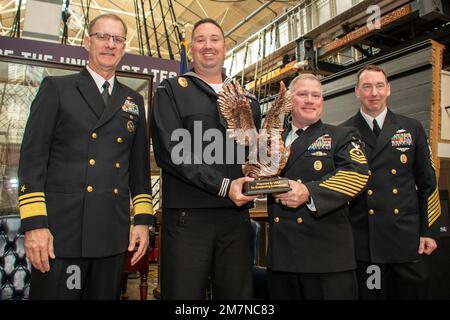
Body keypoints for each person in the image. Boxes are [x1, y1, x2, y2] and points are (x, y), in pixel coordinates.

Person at [18, 14, 154, 299]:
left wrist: (142, 220)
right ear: (87, 42)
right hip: (61, 234)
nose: (110, 45)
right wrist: (35, 225)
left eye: (117, 39)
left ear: (124, 47)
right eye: (103, 37)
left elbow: (139, 170)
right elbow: (32, 162)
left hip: (112, 234)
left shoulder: (133, 100)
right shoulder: (57, 89)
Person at [151, 18, 261, 299]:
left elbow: (255, 154)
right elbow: (172, 152)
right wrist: (224, 185)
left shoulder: (247, 99)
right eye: (200, 40)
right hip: (189, 219)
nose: (208, 46)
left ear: (225, 48)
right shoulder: (171, 91)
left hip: (237, 219)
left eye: (214, 39)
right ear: (191, 50)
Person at [342, 65, 441, 299]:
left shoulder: (411, 128)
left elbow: (428, 183)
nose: (373, 93)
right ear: (357, 92)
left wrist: (429, 231)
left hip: (407, 240)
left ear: (389, 89)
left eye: (379, 86)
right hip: (366, 243)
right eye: (367, 87)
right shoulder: (344, 132)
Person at [266, 73, 369, 300]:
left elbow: (358, 174)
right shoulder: (271, 140)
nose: (310, 100)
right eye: (302, 94)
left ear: (322, 101)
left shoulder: (342, 135)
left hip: (326, 262)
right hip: (282, 261)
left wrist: (309, 192)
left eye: (316, 95)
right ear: (289, 100)